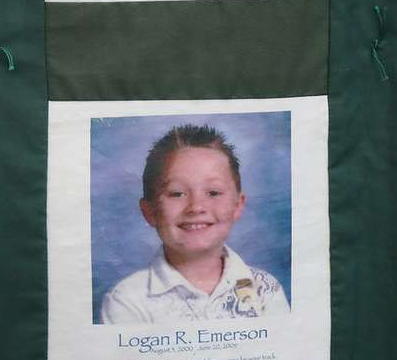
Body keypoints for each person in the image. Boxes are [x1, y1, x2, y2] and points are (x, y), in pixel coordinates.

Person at [101, 124, 289, 323]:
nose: (196, 207)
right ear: (149, 211)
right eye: (177, 193)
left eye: (213, 193)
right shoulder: (127, 301)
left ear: (237, 205)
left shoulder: (265, 289)